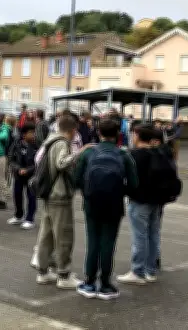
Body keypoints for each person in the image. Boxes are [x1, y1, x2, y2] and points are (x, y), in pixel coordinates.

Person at [74, 118, 138, 300]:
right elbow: (133, 185)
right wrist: (119, 192)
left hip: (92, 203)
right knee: (108, 242)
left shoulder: (88, 154)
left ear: (98, 133)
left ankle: (89, 281)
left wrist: (87, 192)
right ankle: (106, 284)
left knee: (93, 241)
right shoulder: (124, 156)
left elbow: (76, 179)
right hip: (114, 204)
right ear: (118, 134)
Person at [118, 124, 178, 286]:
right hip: (158, 200)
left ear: (137, 136)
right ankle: (150, 270)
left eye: (133, 134)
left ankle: (137, 270)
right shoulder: (160, 152)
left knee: (139, 236)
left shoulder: (134, 155)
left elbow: (126, 178)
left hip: (139, 200)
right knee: (153, 234)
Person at [34, 115, 85, 289]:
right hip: (59, 195)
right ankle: (64, 274)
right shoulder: (62, 143)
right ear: (73, 130)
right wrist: (79, 153)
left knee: (46, 235)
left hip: (48, 194)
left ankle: (43, 271)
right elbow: (61, 163)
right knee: (64, 236)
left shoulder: (49, 141)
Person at [9, 122, 39, 229]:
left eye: (34, 132)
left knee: (31, 197)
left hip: (31, 176)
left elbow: (39, 162)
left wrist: (28, 170)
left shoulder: (37, 145)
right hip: (18, 175)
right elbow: (11, 159)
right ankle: (19, 215)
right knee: (17, 194)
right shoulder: (16, 144)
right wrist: (18, 169)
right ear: (24, 134)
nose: (33, 135)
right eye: (31, 133)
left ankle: (29, 219)